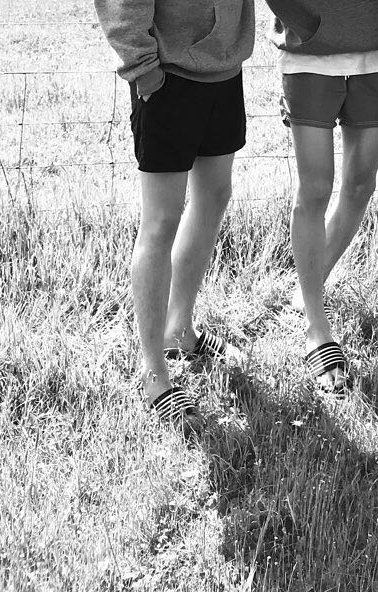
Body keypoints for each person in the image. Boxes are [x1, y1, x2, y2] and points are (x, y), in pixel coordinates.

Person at [95, 0, 255, 433]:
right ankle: (153, 373)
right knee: (161, 220)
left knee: (215, 196)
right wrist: (143, 69)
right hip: (165, 76)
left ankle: (179, 330)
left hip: (225, 72)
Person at [265, 0, 378, 393]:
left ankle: (307, 288)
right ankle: (316, 325)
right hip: (309, 58)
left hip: (375, 54)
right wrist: (308, 25)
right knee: (314, 189)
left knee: (361, 185)